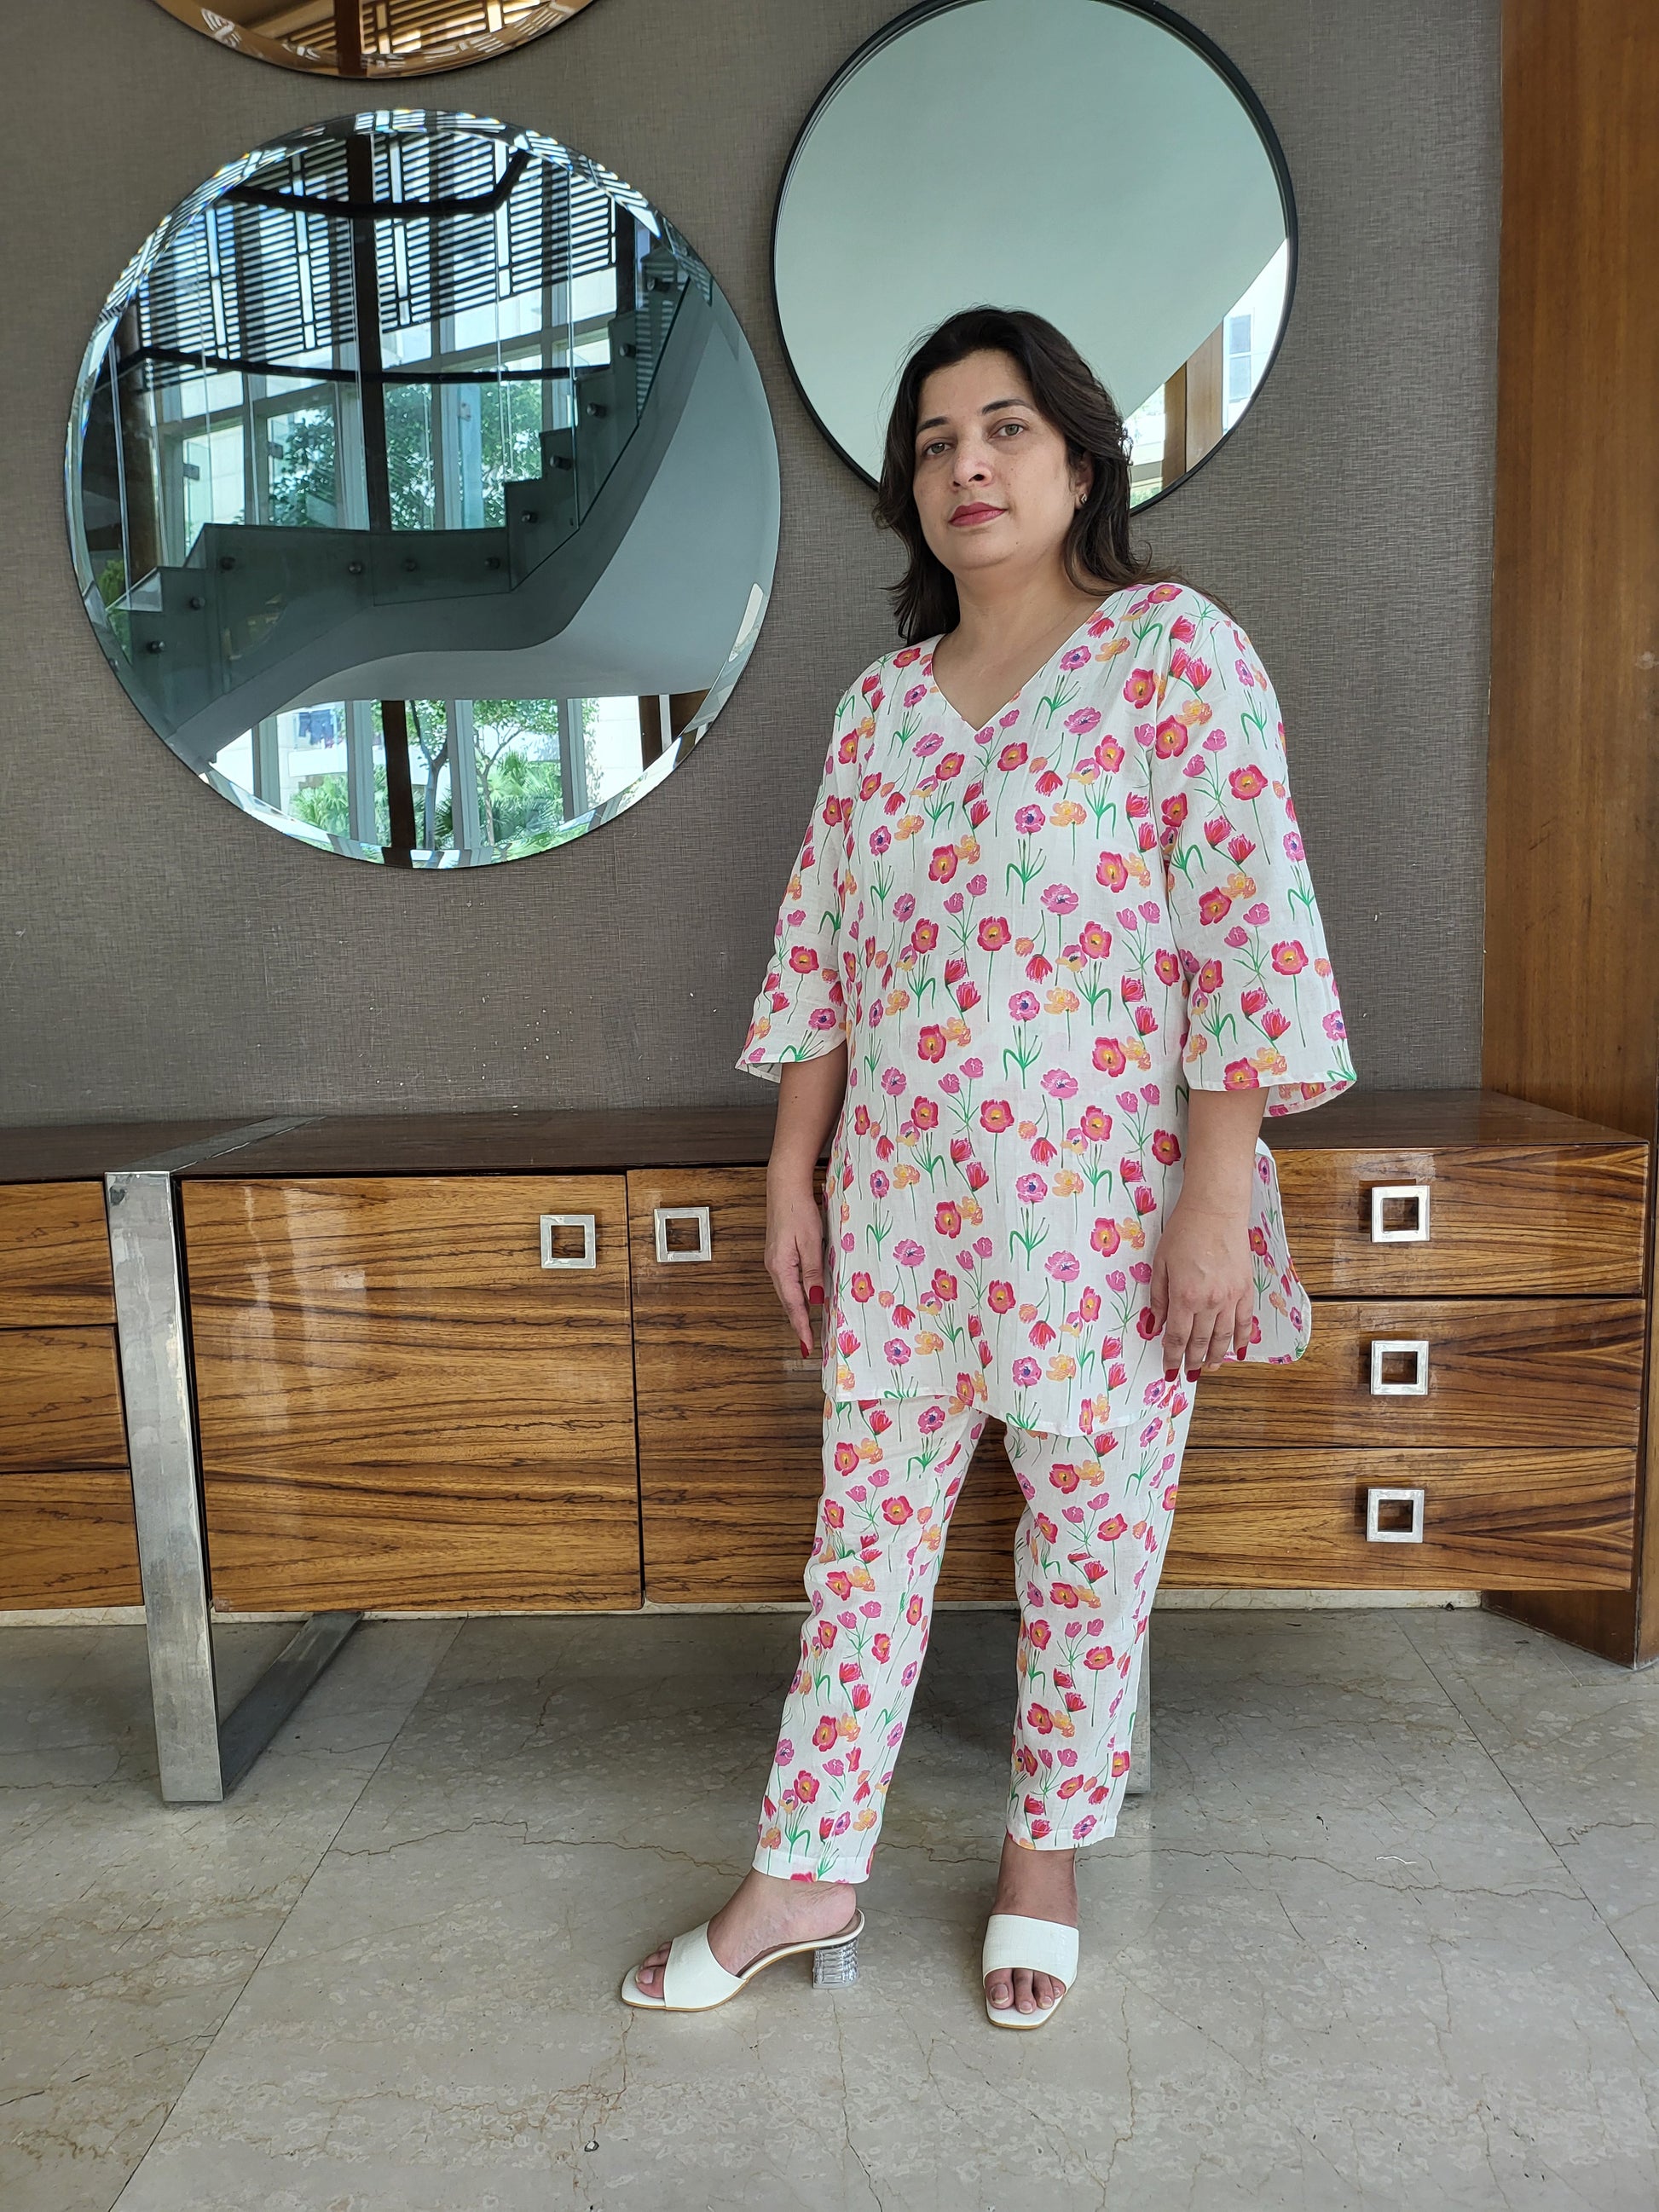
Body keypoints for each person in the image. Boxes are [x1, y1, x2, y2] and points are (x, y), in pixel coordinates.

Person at [623, 305, 1355, 2026]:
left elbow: (1245, 934)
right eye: (936, 439)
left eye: (1005, 426)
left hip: (1104, 1213)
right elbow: (821, 959)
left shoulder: (1174, 654)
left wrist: (1209, 1206)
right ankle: (804, 1869)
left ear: (1081, 459)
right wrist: (791, 1177)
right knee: (860, 1556)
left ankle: (1045, 1858)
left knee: (1092, 1551)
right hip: (896, 1209)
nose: (968, 464)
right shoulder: (878, 709)